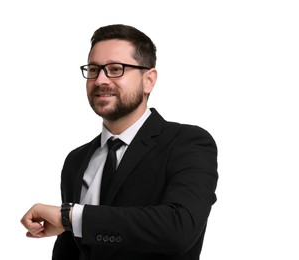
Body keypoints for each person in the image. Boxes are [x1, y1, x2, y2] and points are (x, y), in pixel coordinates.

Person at [21, 24, 218, 260]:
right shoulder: (76, 160)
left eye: (116, 69)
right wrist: (71, 220)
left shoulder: (187, 143)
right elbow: (69, 251)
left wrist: (69, 217)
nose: (100, 79)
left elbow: (178, 229)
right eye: (94, 69)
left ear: (149, 80)